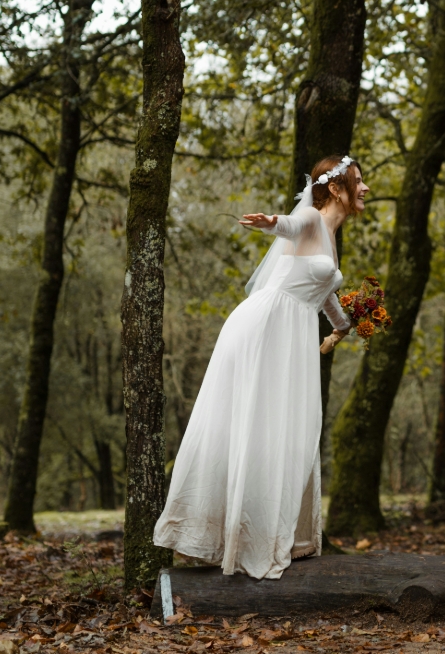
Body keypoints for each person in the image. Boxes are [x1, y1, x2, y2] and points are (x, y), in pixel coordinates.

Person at [153, 155, 369, 579]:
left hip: (294, 331)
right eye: (357, 182)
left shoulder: (330, 235)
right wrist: (271, 221)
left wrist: (348, 325)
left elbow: (320, 290)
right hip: (268, 326)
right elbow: (287, 226)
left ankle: (268, 533)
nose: (364, 189)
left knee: (288, 428)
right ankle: (226, 537)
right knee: (257, 423)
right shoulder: (309, 216)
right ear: (336, 188)